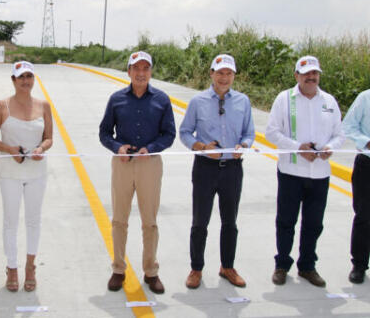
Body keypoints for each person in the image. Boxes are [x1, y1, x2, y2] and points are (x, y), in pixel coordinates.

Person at [99, 51, 176, 294]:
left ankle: (151, 271)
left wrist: (151, 148)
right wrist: (117, 147)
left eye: (145, 68)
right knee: (119, 219)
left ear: (151, 71)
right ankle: (118, 269)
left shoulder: (162, 100)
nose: (141, 73)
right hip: (122, 164)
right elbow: (104, 132)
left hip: (149, 164)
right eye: (136, 68)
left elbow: (169, 134)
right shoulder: (116, 99)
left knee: (149, 222)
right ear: (129, 71)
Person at [266, 55, 345, 287]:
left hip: (320, 174)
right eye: (306, 73)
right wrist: (297, 148)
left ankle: (308, 267)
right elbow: (272, 132)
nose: (311, 77)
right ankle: (282, 264)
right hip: (291, 171)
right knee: (286, 221)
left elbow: (340, 134)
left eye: (315, 73)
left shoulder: (329, 101)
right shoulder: (284, 99)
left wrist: (331, 147)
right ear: (296, 76)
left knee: (314, 223)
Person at [179, 54, 255, 289]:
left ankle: (227, 267)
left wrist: (244, 146)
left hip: (232, 169)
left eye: (228, 73)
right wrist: (201, 148)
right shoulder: (197, 101)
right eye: (220, 72)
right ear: (211, 74)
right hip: (205, 169)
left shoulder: (243, 101)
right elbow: (184, 133)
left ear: (234, 76)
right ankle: (196, 268)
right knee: (200, 221)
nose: (224, 78)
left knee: (229, 221)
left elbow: (249, 133)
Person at [0, 61, 53, 292]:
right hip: (10, 172)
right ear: (13, 80)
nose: (26, 81)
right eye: (21, 77)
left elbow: (49, 138)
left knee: (34, 220)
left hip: (37, 171)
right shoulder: (1, 105)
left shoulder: (44, 105)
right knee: (10, 221)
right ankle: (12, 267)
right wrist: (10, 150)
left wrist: (40, 149)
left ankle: (30, 266)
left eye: (29, 76)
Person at [342, 88, 370, 284]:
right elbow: (348, 126)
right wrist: (366, 142)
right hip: (366, 164)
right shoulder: (365, 98)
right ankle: (359, 264)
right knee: (364, 216)